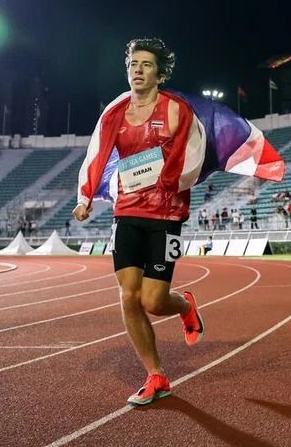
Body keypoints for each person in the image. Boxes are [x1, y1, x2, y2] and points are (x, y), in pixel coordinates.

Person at [72, 38, 205, 406]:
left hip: (167, 214)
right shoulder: (114, 112)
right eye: (133, 63)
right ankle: (156, 375)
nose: (137, 69)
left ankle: (185, 306)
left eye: (146, 64)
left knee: (154, 300)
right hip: (127, 210)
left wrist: (168, 179)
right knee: (129, 296)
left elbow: (194, 157)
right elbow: (96, 153)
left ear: (160, 74)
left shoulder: (178, 110)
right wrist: (85, 198)